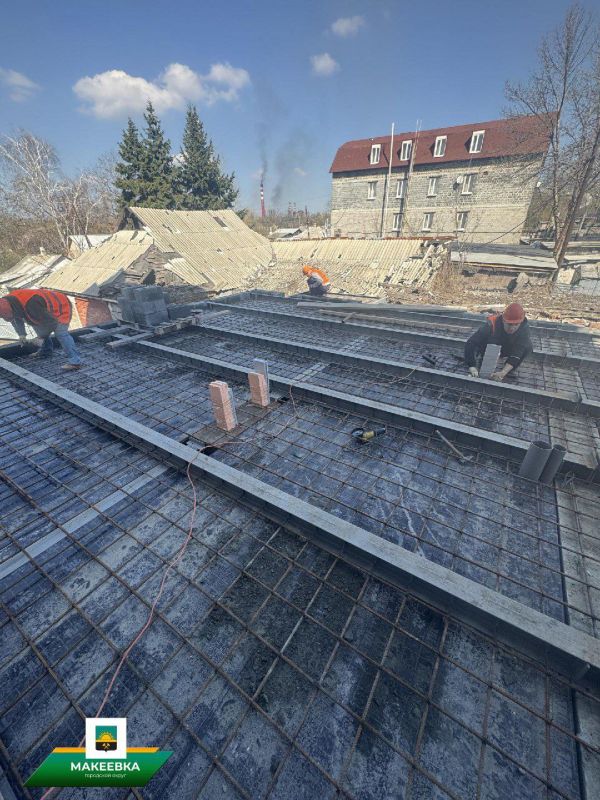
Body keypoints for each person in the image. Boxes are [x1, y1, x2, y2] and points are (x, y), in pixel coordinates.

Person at [0, 289, 82, 371]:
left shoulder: (31, 304)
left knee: (61, 333)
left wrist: (41, 337)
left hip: (60, 306)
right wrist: (22, 334)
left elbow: (51, 322)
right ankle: (46, 351)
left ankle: (75, 362)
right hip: (42, 309)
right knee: (36, 324)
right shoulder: (7, 303)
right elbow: (15, 319)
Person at [464, 302, 532, 382]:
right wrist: (471, 366)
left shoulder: (524, 329)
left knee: (528, 346)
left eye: (516, 325)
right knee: (485, 371)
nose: (512, 328)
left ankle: (509, 370)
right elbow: (471, 343)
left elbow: (517, 352)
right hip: (490, 346)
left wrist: (503, 372)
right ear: (503, 320)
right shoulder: (491, 324)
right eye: (509, 324)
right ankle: (483, 361)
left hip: (508, 348)